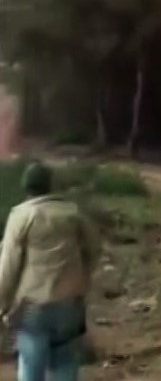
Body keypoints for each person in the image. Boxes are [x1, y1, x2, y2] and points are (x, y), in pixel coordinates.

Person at [0, 161, 99, 381]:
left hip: (34, 307)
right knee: (66, 364)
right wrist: (83, 281)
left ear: (27, 187)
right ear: (50, 185)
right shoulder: (72, 214)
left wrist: (2, 304)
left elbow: (8, 265)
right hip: (70, 305)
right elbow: (93, 250)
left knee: (31, 366)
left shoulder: (21, 216)